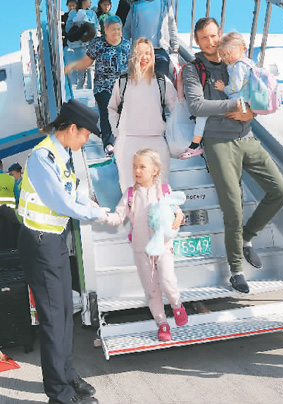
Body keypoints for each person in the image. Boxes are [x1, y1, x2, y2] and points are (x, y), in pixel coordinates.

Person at [182, 17, 283, 293]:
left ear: (220, 34)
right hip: (219, 142)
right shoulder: (193, 69)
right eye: (204, 38)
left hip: (246, 137)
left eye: (214, 35)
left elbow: (255, 95)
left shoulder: (236, 61)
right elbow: (197, 106)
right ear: (197, 41)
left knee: (281, 191)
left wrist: (250, 112)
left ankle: (247, 236)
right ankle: (236, 270)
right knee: (233, 208)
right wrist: (235, 105)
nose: (211, 41)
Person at [17, 99, 109, 404]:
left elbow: (72, 192)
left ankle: (67, 375)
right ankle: (59, 394)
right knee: (54, 319)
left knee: (65, 314)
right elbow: (62, 203)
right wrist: (98, 214)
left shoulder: (63, 153)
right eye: (85, 135)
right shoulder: (42, 157)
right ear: (71, 129)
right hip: (39, 243)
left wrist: (92, 204)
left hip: (54, 241)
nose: (86, 141)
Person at [105, 148, 187, 341]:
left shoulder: (164, 190)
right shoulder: (130, 194)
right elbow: (118, 217)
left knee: (167, 281)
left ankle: (177, 305)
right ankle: (162, 324)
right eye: (135, 166)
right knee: (151, 290)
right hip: (141, 249)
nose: (137, 170)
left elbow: (177, 212)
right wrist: (101, 215)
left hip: (163, 247)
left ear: (154, 170)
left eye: (142, 166)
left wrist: (178, 217)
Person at [108, 37, 179, 192]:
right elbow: (112, 108)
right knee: (130, 192)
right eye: (140, 53)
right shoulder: (123, 81)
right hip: (128, 142)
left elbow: (177, 109)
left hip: (156, 142)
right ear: (133, 56)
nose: (144, 57)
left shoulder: (162, 81)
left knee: (159, 191)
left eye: (148, 53)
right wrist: (117, 132)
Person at [179, 31, 255, 159]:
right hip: (245, 100)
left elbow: (235, 87)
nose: (227, 58)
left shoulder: (238, 66)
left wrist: (224, 88)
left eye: (229, 54)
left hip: (239, 101)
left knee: (203, 115)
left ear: (242, 48)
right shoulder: (248, 63)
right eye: (224, 55)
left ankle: (195, 145)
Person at [65, 15, 131, 154]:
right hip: (103, 85)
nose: (117, 32)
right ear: (105, 30)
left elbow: (132, 66)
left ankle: (123, 140)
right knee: (107, 110)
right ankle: (108, 143)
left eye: (119, 29)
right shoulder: (98, 43)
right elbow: (86, 62)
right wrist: (73, 66)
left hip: (122, 86)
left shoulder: (126, 45)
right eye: (113, 29)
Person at [122, 0, 179, 77]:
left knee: (161, 80)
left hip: (160, 50)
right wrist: (125, 46)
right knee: (140, 81)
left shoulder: (165, 4)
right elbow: (127, 29)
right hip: (140, 51)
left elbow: (171, 25)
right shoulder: (136, 6)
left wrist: (175, 46)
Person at [66, 0, 100, 89]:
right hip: (78, 43)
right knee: (82, 64)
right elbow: (68, 28)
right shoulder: (73, 12)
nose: (91, 3)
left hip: (90, 42)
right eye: (89, 0)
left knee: (91, 65)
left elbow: (96, 27)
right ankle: (79, 85)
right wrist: (76, 23)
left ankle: (91, 86)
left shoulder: (92, 13)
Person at [0, 159, 20, 250]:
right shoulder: (11, 179)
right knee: (10, 247)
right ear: (2, 166)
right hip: (10, 219)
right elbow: (18, 199)